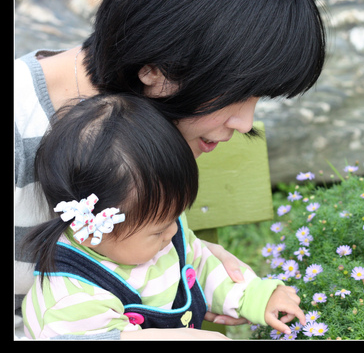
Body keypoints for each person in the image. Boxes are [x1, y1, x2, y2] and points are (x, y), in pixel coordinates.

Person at [14, 0, 326, 337]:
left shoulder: (151, 136)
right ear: (155, 68)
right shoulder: (21, 126)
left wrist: (176, 261)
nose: (245, 123)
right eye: (240, 92)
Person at [21, 94, 306, 340]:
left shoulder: (156, 234)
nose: (172, 233)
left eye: (176, 216)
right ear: (94, 229)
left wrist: (255, 297)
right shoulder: (72, 297)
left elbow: (201, 265)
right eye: (158, 231)